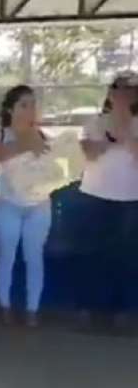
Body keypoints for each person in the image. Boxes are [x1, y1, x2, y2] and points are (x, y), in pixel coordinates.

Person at [0, 86, 52, 327]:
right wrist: (23, 145)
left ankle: (32, 309)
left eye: (32, 104)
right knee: (7, 256)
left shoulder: (43, 136)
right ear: (10, 109)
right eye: (23, 105)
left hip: (39, 205)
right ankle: (5, 306)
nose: (29, 110)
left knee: (35, 257)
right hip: (6, 204)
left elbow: (55, 170)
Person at [76, 72, 138, 329]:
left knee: (127, 256)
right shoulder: (95, 122)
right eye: (118, 90)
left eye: (129, 91)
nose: (123, 95)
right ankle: (91, 309)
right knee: (93, 253)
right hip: (95, 195)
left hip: (131, 197)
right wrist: (111, 138)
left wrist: (125, 130)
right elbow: (89, 152)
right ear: (110, 94)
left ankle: (123, 310)